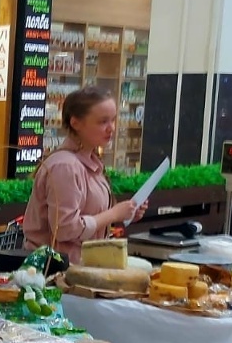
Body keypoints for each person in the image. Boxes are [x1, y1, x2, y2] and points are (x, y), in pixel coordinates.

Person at [23, 87, 148, 263]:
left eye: (113, 120)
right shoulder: (65, 166)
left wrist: (125, 215)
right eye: (102, 121)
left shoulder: (89, 161)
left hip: (83, 266)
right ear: (76, 123)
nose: (111, 128)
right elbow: (65, 228)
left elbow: (91, 218)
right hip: (56, 270)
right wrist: (113, 214)